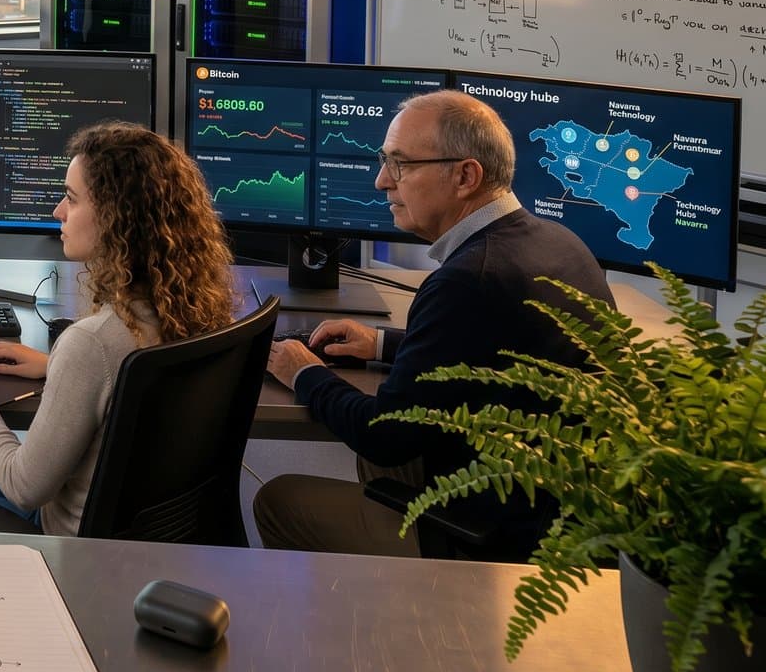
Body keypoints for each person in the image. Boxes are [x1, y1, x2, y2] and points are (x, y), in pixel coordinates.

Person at [256, 89, 609, 560]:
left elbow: (384, 436)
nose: (382, 181)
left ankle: (421, 594)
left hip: (499, 535)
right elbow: (492, 354)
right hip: (550, 497)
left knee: (279, 500)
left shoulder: (469, 280)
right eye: (385, 161)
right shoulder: (558, 241)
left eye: (400, 164)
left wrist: (303, 372)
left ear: (465, 176)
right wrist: (381, 344)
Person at [0, 123, 237, 535]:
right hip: (156, 535)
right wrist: (55, 366)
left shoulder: (92, 343)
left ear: (117, 218)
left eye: (71, 198)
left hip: (73, 550)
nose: (58, 212)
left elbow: (24, 488)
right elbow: (130, 377)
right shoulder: (199, 312)